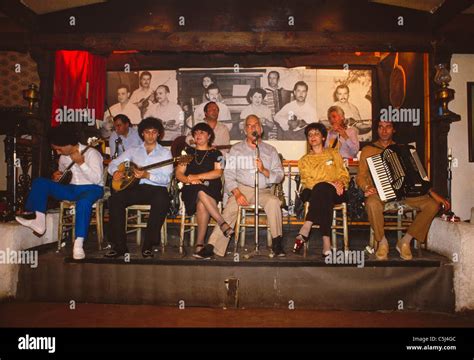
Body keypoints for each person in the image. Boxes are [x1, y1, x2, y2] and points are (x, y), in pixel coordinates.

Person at [356, 120, 450, 260]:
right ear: (377, 130)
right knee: (371, 204)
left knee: (432, 205)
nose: (384, 130)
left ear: (393, 130)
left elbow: (418, 176)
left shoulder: (404, 149)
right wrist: (367, 187)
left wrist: (432, 193)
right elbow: (361, 176)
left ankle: (405, 241)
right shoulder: (368, 150)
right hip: (379, 192)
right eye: (380, 127)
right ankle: (382, 241)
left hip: (405, 194)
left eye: (388, 127)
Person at [196, 115, 285, 259]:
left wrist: (264, 170)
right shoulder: (236, 149)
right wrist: (236, 193)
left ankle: (277, 244)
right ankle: (212, 246)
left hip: (263, 191)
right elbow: (229, 175)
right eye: (249, 126)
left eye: (256, 125)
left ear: (261, 129)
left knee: (274, 202)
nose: (253, 128)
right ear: (245, 131)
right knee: (230, 209)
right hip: (242, 189)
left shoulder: (271, 150)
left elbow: (280, 175)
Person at [16, 126, 104, 260]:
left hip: (92, 188)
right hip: (72, 188)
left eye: (59, 148)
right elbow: (64, 176)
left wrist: (81, 163)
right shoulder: (63, 157)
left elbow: (97, 179)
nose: (57, 152)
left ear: (68, 144)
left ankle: (78, 244)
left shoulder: (92, 153)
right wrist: (57, 176)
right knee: (40, 182)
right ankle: (39, 222)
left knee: (83, 202)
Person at [105, 117, 173, 258]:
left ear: (159, 134)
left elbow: (166, 179)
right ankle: (120, 247)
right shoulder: (133, 151)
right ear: (142, 133)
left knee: (163, 199)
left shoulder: (165, 153)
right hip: (134, 188)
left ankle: (148, 244)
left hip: (156, 188)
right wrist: (115, 172)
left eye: (154, 132)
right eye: (147, 132)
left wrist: (147, 175)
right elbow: (113, 164)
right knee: (115, 199)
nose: (150, 135)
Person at [176, 123, 232, 257]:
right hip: (190, 188)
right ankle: (222, 223)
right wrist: (189, 180)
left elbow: (218, 172)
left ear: (209, 136)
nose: (198, 135)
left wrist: (197, 177)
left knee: (201, 199)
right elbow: (179, 173)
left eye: (201, 133)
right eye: (195, 133)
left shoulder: (217, 153)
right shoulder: (187, 152)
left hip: (211, 187)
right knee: (199, 190)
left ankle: (199, 244)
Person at [293, 123, 349, 256]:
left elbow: (344, 174)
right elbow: (308, 181)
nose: (313, 137)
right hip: (314, 192)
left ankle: (307, 226)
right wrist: (329, 182)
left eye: (316, 133)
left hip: (336, 192)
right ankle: (326, 242)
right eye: (310, 135)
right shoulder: (304, 160)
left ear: (323, 137)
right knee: (322, 190)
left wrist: (340, 182)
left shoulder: (333, 153)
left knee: (324, 191)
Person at [264, 71, 292, 139]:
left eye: (274, 78)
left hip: (282, 122)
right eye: (270, 78)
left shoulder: (284, 92)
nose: (271, 80)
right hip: (270, 121)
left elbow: (289, 110)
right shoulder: (264, 92)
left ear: (278, 79)